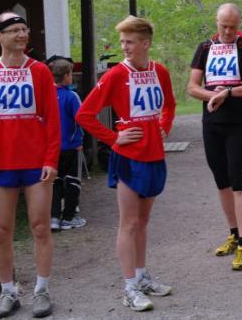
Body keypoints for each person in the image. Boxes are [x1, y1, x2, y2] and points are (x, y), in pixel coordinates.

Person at [76, 16, 176, 312]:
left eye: (129, 42)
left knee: (143, 222)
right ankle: (129, 287)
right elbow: (84, 114)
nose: (124, 47)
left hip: (155, 156)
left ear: (145, 43)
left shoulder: (160, 71)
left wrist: (164, 127)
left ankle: (143, 277)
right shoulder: (115, 75)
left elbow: (169, 105)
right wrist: (114, 138)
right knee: (128, 223)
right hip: (129, 159)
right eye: (122, 42)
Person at [0, 12, 60, 318]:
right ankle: (8, 292)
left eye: (24, 29)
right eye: (14, 30)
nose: (22, 34)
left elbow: (53, 121)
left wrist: (51, 159)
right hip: (0, 165)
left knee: (39, 227)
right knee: (2, 229)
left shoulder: (40, 72)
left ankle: (42, 290)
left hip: (36, 164)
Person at [187, 3, 242, 271]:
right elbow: (192, 87)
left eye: (233, 26)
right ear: (216, 22)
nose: (228, 31)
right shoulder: (205, 48)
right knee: (222, 182)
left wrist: (228, 93)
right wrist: (214, 95)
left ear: (239, 24)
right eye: (224, 26)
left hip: (238, 124)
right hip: (212, 123)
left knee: (238, 182)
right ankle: (232, 233)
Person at [47, 57, 86, 230]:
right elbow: (82, 119)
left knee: (54, 182)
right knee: (72, 181)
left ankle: (54, 217)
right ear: (67, 76)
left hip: (51, 148)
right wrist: (80, 139)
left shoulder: (46, 96)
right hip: (71, 146)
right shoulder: (71, 96)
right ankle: (69, 217)